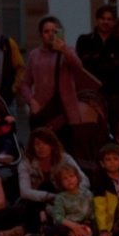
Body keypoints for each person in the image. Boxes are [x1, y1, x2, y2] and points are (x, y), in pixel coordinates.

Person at [20, 16, 90, 149]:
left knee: (65, 150)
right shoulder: (35, 55)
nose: (50, 34)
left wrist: (63, 50)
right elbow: (24, 83)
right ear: (41, 35)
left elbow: (78, 67)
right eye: (46, 31)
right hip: (42, 111)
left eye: (54, 31)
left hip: (65, 112)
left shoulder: (68, 50)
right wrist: (31, 101)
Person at [18, 127, 89, 236]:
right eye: (37, 144)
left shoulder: (64, 158)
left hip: (64, 199)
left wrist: (72, 193)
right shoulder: (26, 164)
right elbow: (25, 191)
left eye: (45, 143)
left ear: (52, 145)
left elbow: (84, 180)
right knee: (44, 187)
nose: (41, 148)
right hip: (36, 203)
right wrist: (50, 196)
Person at [76, 5, 119, 131]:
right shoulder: (85, 40)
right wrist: (109, 60)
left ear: (114, 21)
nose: (106, 22)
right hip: (93, 93)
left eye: (109, 19)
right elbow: (82, 64)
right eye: (103, 18)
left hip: (115, 93)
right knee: (94, 127)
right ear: (97, 19)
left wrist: (97, 59)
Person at [27, 163, 95, 236]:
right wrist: (74, 227)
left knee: (93, 231)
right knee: (59, 229)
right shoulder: (60, 198)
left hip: (84, 223)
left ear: (77, 177)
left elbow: (92, 212)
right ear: (60, 182)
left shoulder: (87, 194)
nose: (69, 180)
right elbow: (58, 217)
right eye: (65, 179)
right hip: (68, 224)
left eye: (71, 176)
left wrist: (84, 226)